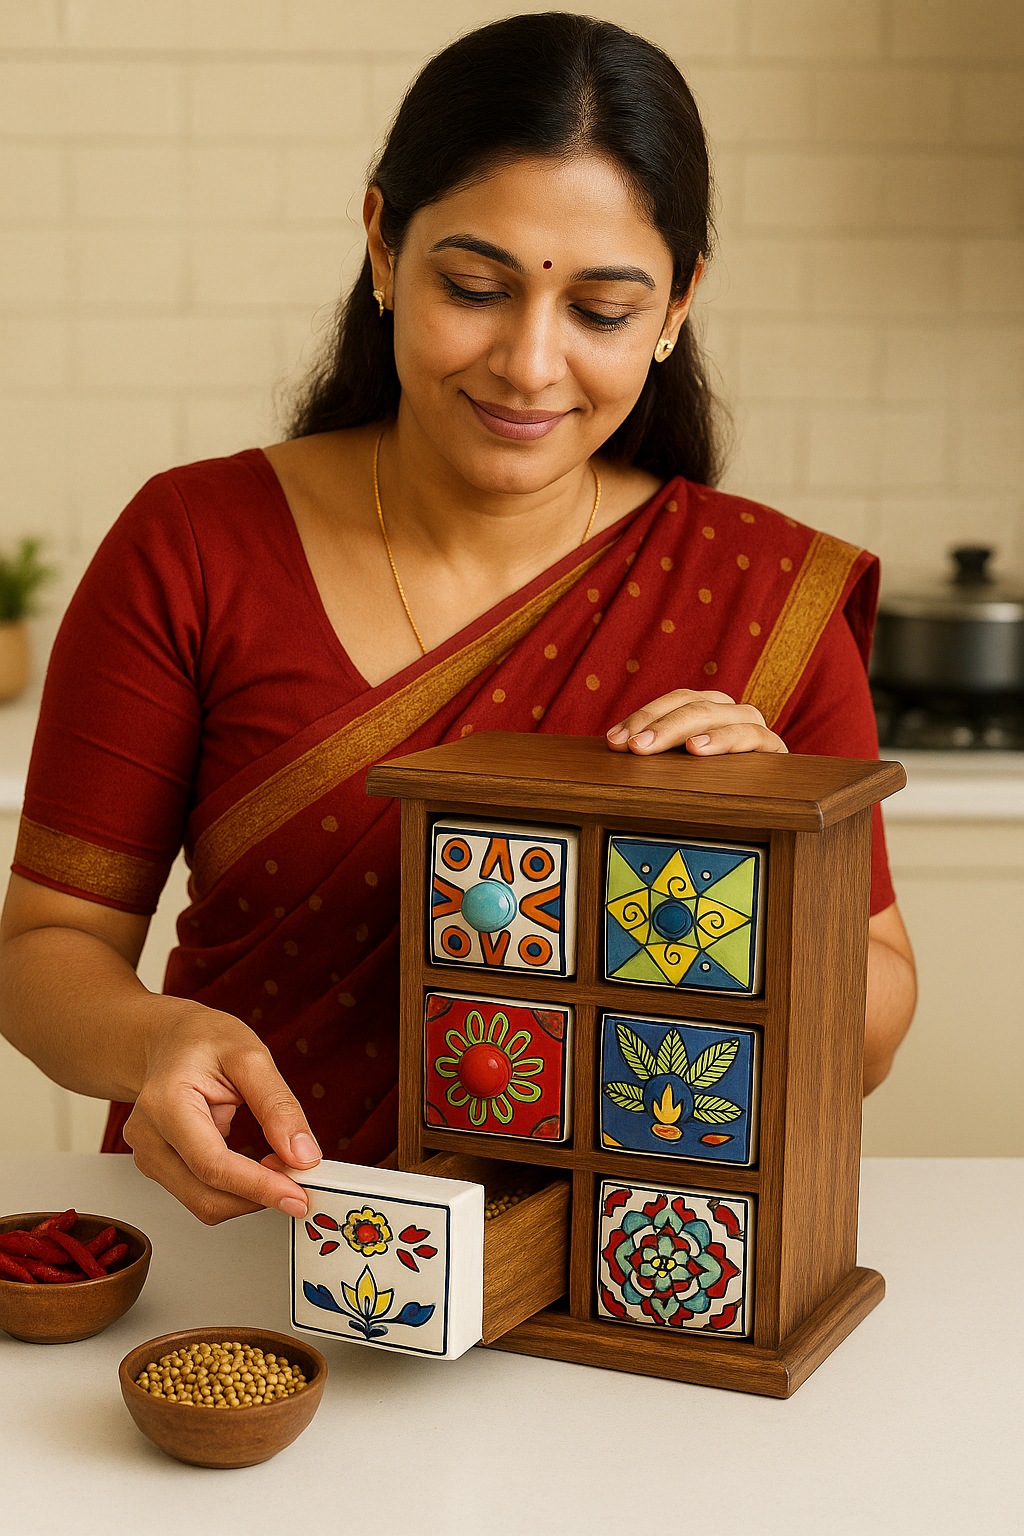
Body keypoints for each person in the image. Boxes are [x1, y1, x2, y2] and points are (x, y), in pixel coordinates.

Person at [0, 14, 915, 1227]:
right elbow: (42, 953)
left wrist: (768, 865)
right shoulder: (195, 543)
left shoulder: (763, 596)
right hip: (254, 1238)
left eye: (600, 311)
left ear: (676, 306)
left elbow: (872, 1035)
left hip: (620, 1267)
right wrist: (153, 1042)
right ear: (383, 246)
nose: (529, 365)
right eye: (473, 289)